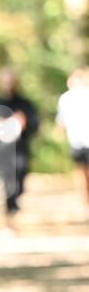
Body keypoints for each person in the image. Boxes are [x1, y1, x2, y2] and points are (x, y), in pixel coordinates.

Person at [0, 68, 39, 218]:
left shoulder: (25, 104)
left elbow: (35, 125)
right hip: (2, 151)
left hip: (20, 150)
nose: (8, 84)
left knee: (20, 178)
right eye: (5, 81)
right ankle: (10, 209)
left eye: (10, 81)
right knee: (7, 181)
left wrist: (24, 123)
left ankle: (15, 201)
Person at [56, 67, 89, 206]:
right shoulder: (65, 98)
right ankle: (85, 201)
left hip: (81, 140)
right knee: (81, 172)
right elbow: (61, 121)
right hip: (76, 141)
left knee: (82, 172)